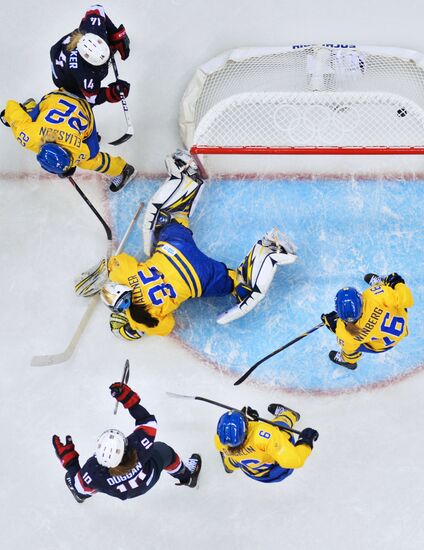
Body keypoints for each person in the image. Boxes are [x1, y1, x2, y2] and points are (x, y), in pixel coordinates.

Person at [75, 149, 298, 339]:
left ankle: (271, 249)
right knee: (171, 218)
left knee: (238, 285)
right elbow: (120, 261)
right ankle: (186, 176)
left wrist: (131, 322)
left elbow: (167, 326)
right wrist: (109, 272)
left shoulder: (141, 319)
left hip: (197, 277)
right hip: (174, 250)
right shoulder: (122, 278)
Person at [52, 381, 201, 502]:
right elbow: (147, 422)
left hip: (124, 491)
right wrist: (129, 401)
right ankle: (187, 477)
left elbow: (79, 485)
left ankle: (83, 497)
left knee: (84, 485)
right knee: (163, 450)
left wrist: (71, 463)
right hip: (148, 477)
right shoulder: (138, 447)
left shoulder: (93, 471)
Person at [0, 91, 135, 191]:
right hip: (58, 96)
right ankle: (29, 106)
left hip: (78, 105)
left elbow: (93, 150)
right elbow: (11, 106)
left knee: (90, 161)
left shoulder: (78, 152)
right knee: (27, 118)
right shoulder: (27, 136)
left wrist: (72, 163)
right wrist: (7, 115)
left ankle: (124, 169)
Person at [321, 272, 414, 369]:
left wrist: (335, 327)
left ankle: (348, 362)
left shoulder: (344, 333)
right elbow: (407, 301)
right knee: (389, 289)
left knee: (350, 347)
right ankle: (381, 284)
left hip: (382, 345)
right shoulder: (374, 296)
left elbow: (349, 347)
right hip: (401, 322)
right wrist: (397, 283)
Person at [215, 404, 318, 483]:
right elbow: (294, 461)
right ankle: (290, 415)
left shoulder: (218, 441)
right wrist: (305, 442)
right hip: (274, 471)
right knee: (281, 427)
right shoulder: (263, 436)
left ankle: (229, 466)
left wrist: (252, 422)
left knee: (233, 459)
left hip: (252, 471)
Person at [50, 4, 130, 106]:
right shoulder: (84, 75)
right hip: (61, 77)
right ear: (90, 62)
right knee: (82, 99)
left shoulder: (94, 30)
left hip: (64, 49)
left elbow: (96, 9)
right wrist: (112, 93)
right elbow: (92, 98)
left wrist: (114, 34)